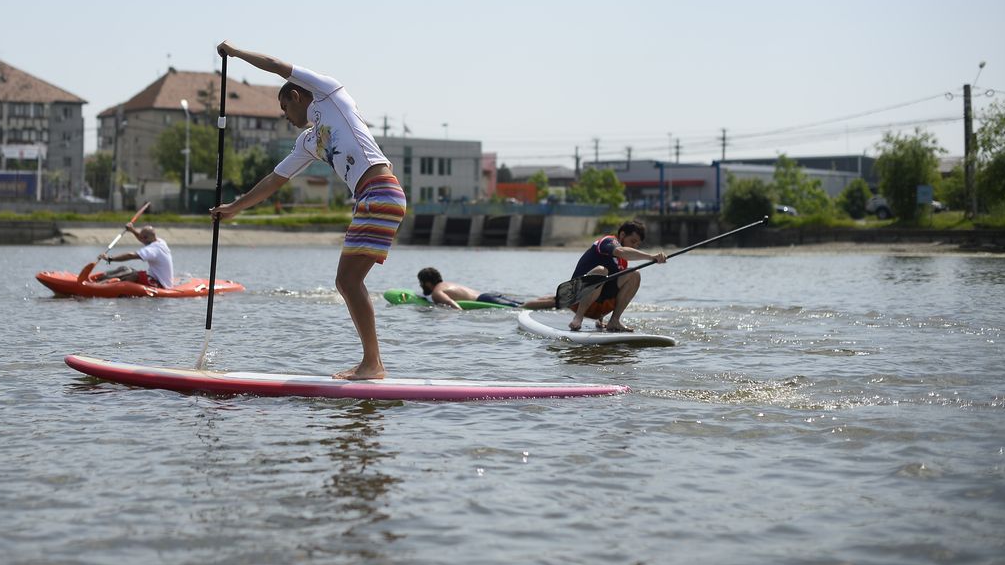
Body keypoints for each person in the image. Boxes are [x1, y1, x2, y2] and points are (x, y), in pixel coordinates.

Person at [210, 41, 405, 381]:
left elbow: (274, 64)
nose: (285, 117)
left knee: (347, 280)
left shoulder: (329, 93)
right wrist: (235, 208)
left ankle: (373, 364)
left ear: (297, 97)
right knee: (347, 281)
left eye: (285, 108)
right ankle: (372, 363)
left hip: (380, 191)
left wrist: (236, 53)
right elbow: (274, 179)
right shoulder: (309, 141)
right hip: (370, 197)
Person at [559, 219, 666, 332]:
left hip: (598, 308)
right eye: (632, 241)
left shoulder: (623, 262)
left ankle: (614, 321)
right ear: (622, 235)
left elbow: (610, 288)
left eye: (637, 244)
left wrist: (600, 318)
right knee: (601, 271)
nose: (634, 246)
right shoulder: (607, 241)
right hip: (577, 299)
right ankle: (578, 318)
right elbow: (621, 251)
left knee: (635, 274)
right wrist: (651, 257)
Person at [415, 267, 549, 309]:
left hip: (486, 299)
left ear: (426, 283)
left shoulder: (437, 292)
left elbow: (452, 305)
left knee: (522, 307)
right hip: (488, 295)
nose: (420, 286)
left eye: (421, 283)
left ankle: (556, 302)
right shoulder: (447, 284)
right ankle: (553, 299)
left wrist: (460, 314)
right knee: (523, 304)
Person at [95, 224, 174, 288]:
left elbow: (130, 255)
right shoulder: (160, 241)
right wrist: (132, 230)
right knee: (125, 269)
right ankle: (101, 280)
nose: (140, 239)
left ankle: (108, 287)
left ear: (146, 238)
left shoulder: (153, 249)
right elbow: (142, 238)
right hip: (153, 277)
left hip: (161, 284)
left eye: (142, 237)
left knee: (134, 275)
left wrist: (110, 258)